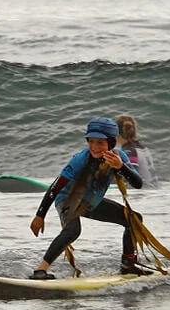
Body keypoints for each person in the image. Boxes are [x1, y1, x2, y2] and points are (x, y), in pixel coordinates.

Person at [28, 117, 145, 280]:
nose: (94, 147)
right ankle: (40, 270)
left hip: (91, 201)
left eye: (100, 142)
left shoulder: (119, 158)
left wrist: (121, 167)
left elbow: (138, 184)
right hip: (68, 198)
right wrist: (40, 215)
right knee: (73, 230)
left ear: (111, 143)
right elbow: (56, 186)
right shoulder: (80, 159)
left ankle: (128, 265)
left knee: (134, 219)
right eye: (91, 141)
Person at [115, 115, 158, 188]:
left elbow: (132, 175)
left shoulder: (129, 150)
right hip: (153, 188)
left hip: (141, 191)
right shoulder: (143, 148)